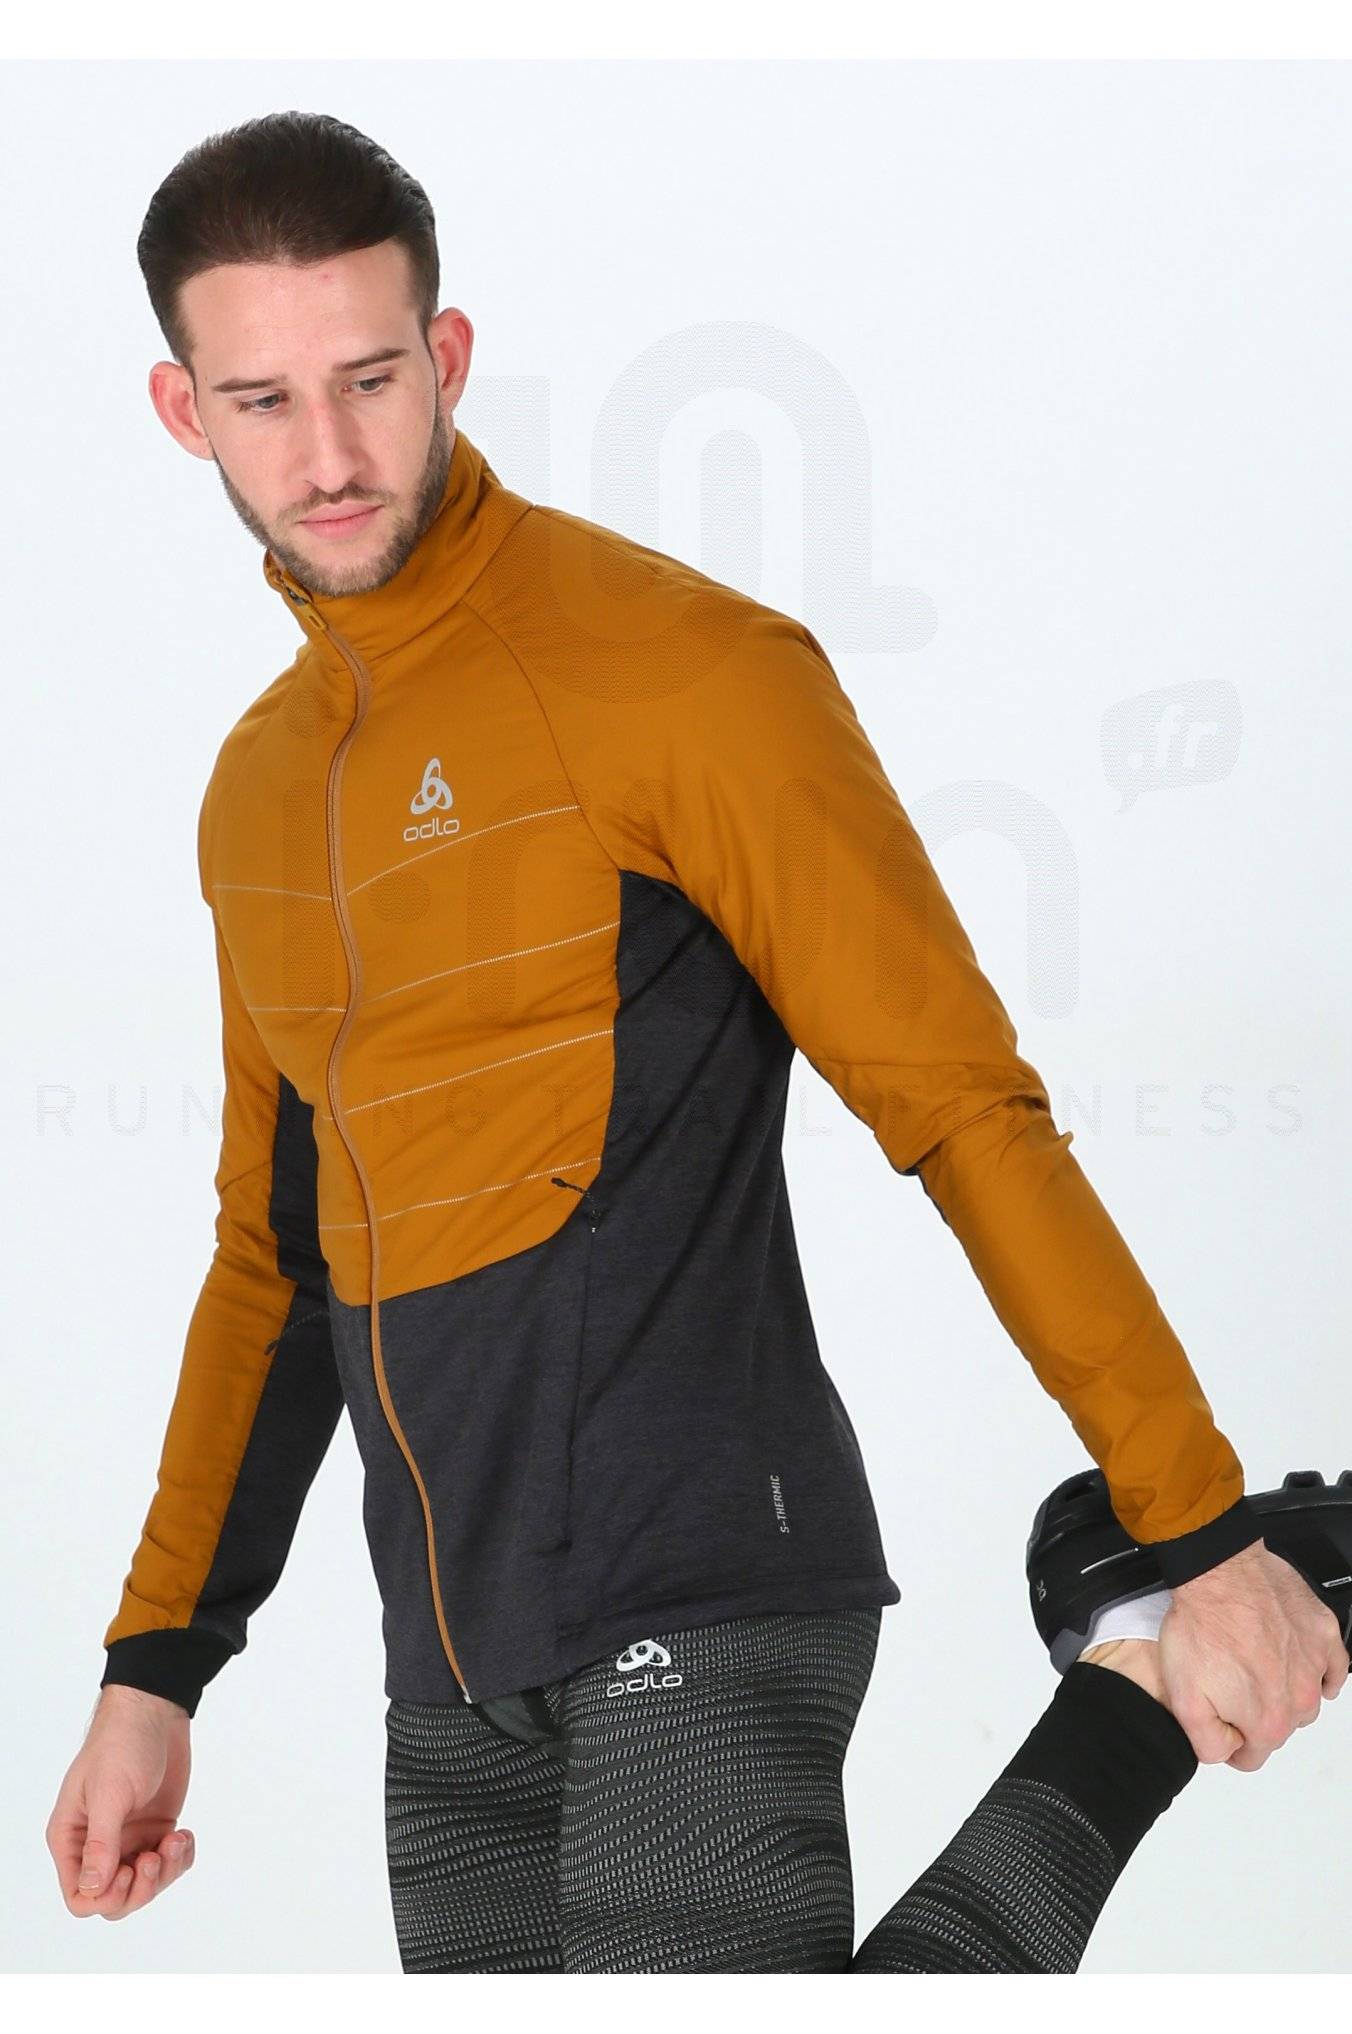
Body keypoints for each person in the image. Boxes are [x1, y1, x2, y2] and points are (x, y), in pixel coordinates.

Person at [46, 111, 1347, 1970]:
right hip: (451, 1647)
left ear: (449, 355)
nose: (327, 455)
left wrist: (1197, 1520)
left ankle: (1151, 1659)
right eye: (263, 401)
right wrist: (157, 1664)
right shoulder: (259, 790)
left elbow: (960, 1107)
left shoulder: (683, 669)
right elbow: (275, 1262)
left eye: (370, 379)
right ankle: (1127, 1671)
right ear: (185, 411)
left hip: (708, 1566)